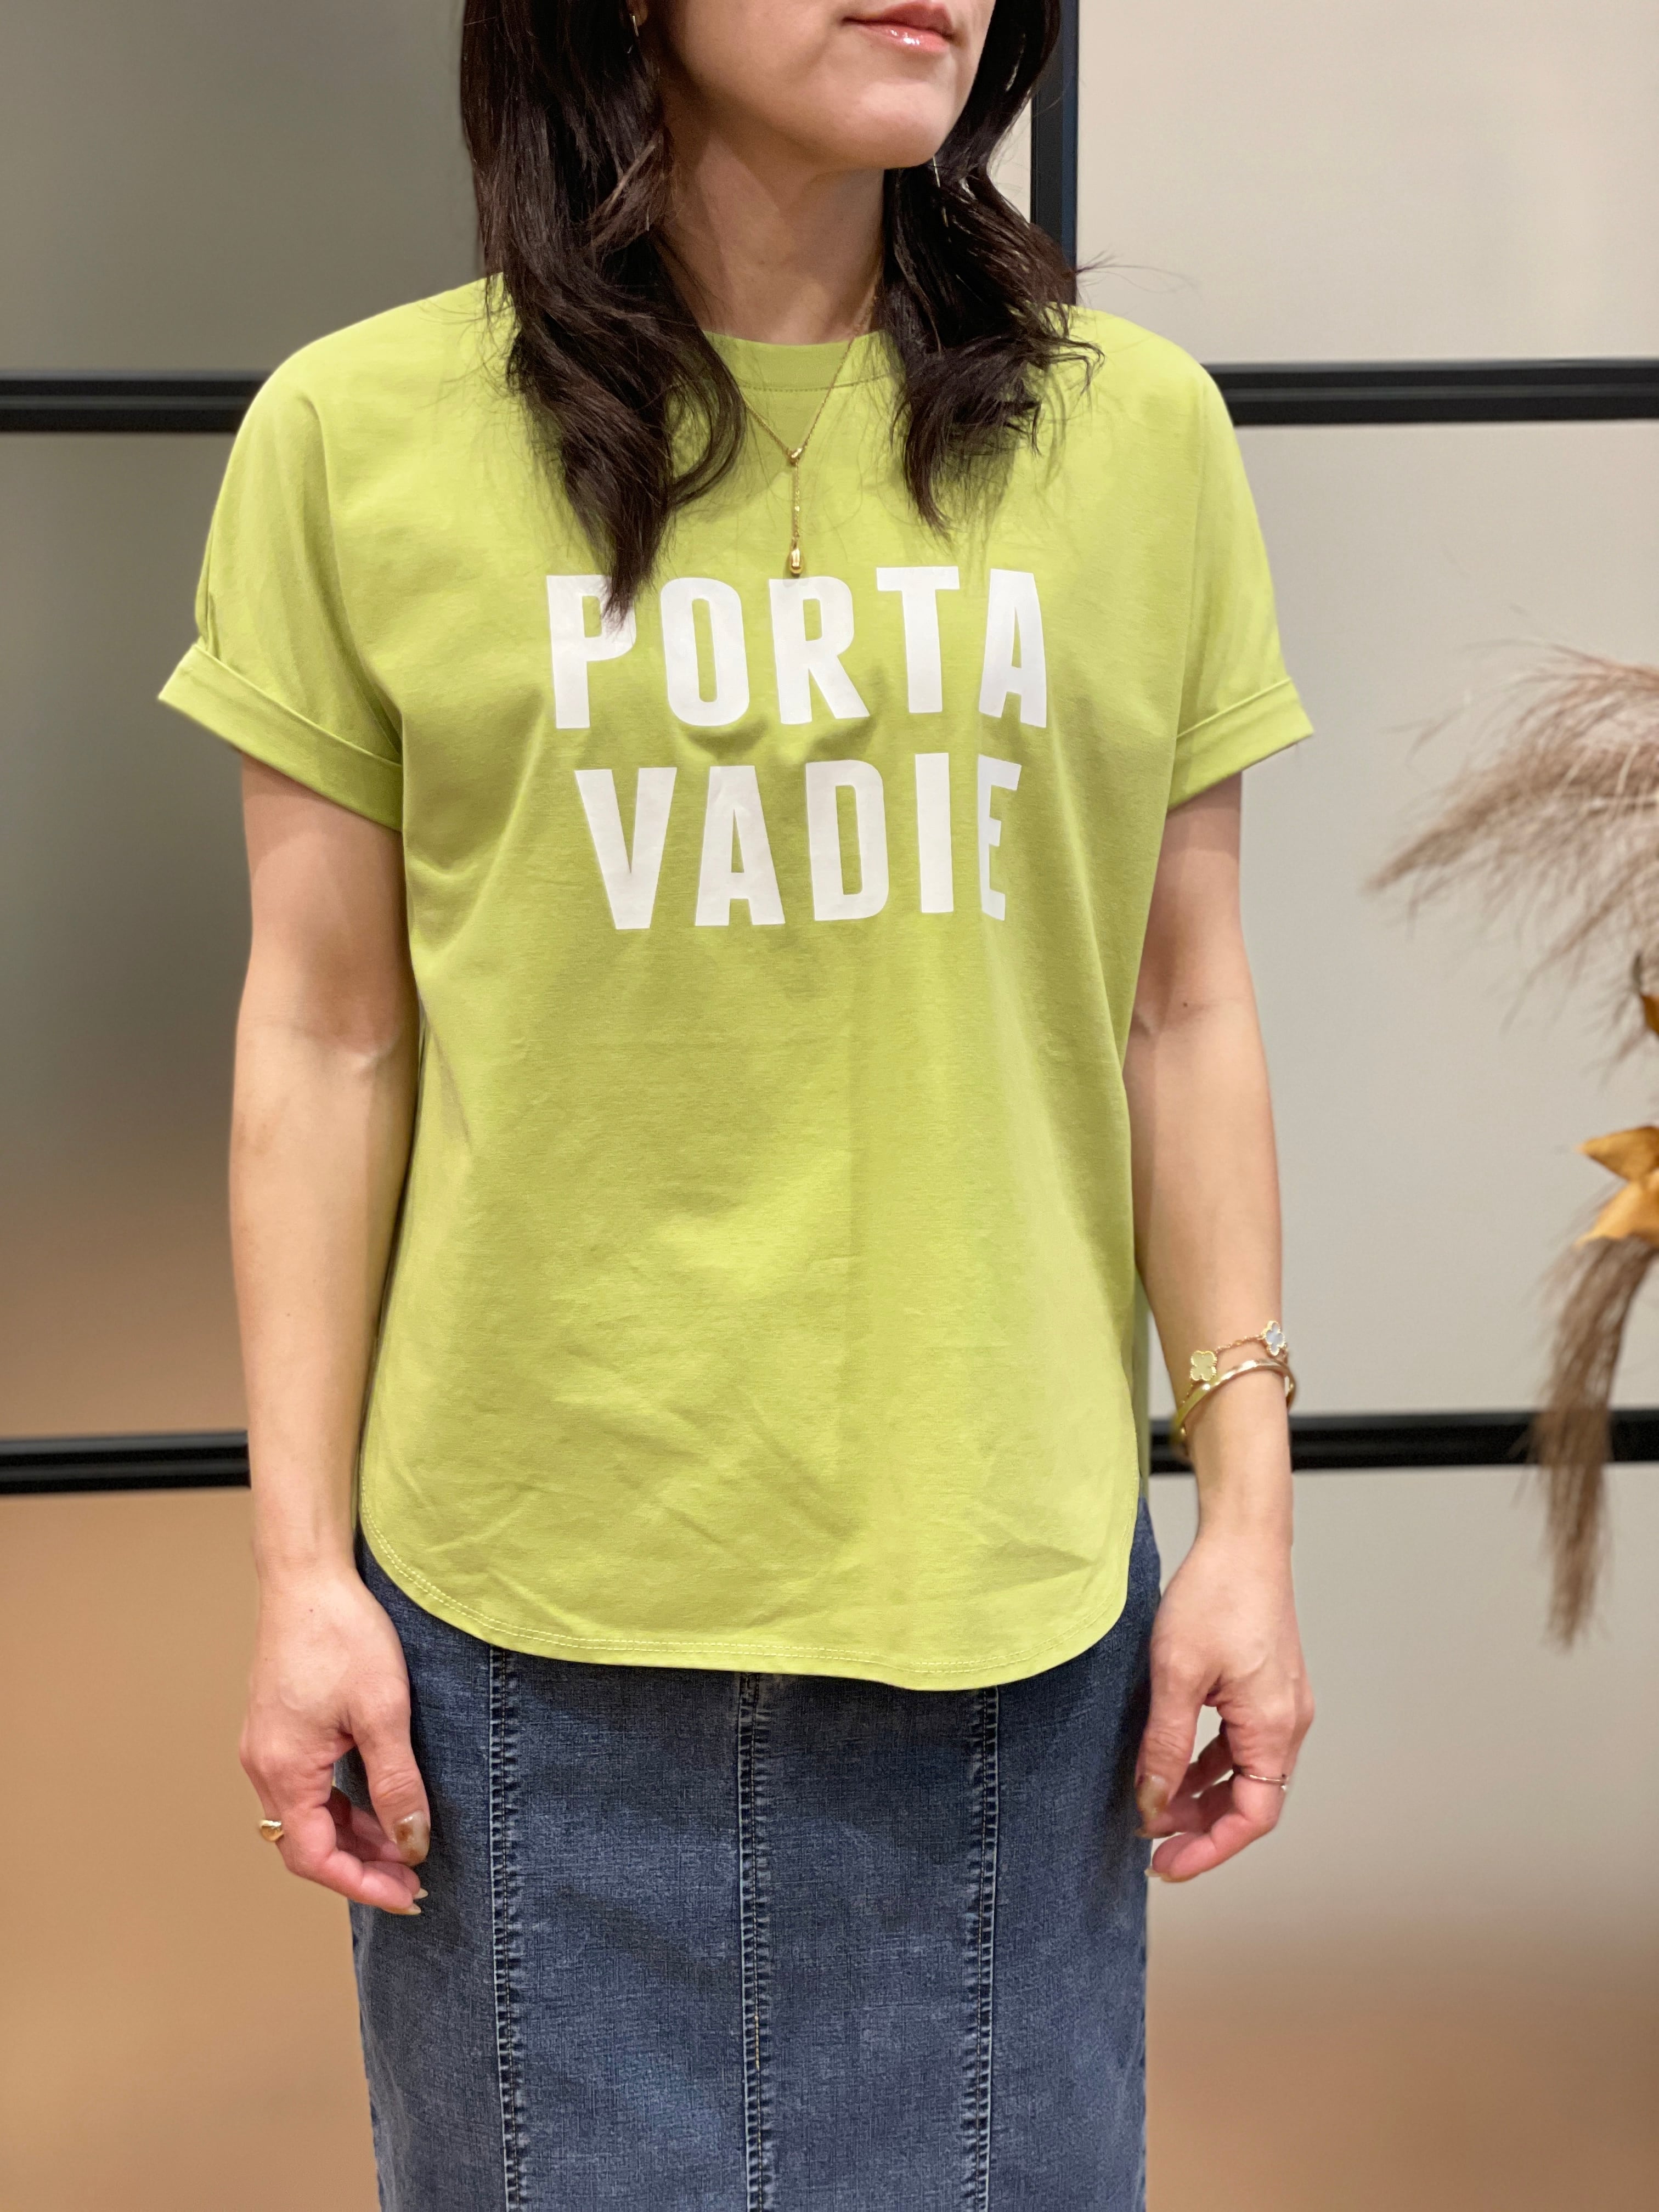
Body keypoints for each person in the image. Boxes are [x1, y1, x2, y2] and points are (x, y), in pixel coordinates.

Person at [161, 1, 1315, 2203]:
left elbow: (1181, 1008)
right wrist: (300, 1571)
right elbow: (323, 1033)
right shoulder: (357, 434)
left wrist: (1250, 1523)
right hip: (518, 1650)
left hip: (1005, 1626)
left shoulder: (1136, 436)